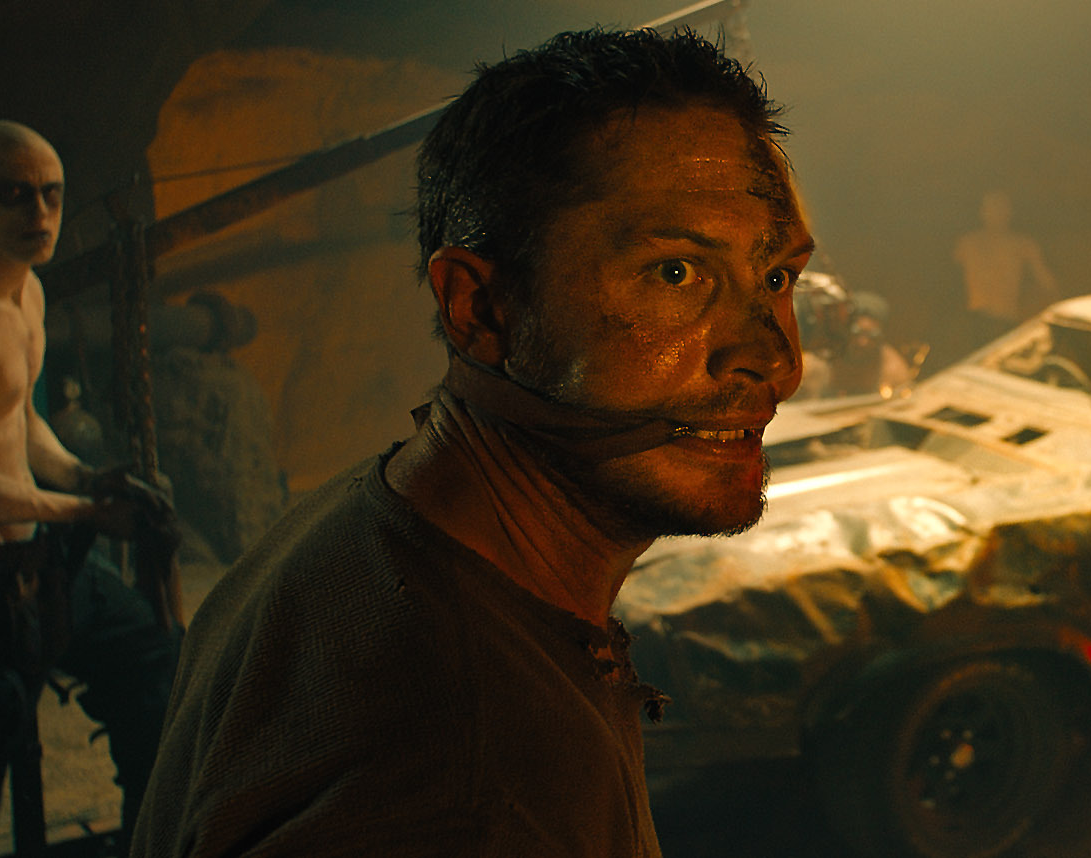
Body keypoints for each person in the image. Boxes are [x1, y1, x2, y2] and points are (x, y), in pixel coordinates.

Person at [132, 27, 811, 857]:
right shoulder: (475, 781)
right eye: (675, 272)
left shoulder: (366, 526)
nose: (777, 360)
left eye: (776, 277)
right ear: (480, 308)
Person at [0, 120, 178, 856]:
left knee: (155, 660)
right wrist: (85, 511)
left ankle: (147, 841)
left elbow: (19, 427)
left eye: (51, 194)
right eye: (12, 196)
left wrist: (83, 477)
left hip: (34, 566)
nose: (40, 214)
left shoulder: (29, 295)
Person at [952, 189, 1058, 353]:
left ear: (1009, 212)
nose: (996, 213)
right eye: (991, 208)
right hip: (975, 322)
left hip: (1005, 321)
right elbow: (949, 283)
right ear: (982, 212)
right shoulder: (967, 244)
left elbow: (1047, 283)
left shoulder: (1022, 245)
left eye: (1001, 208)